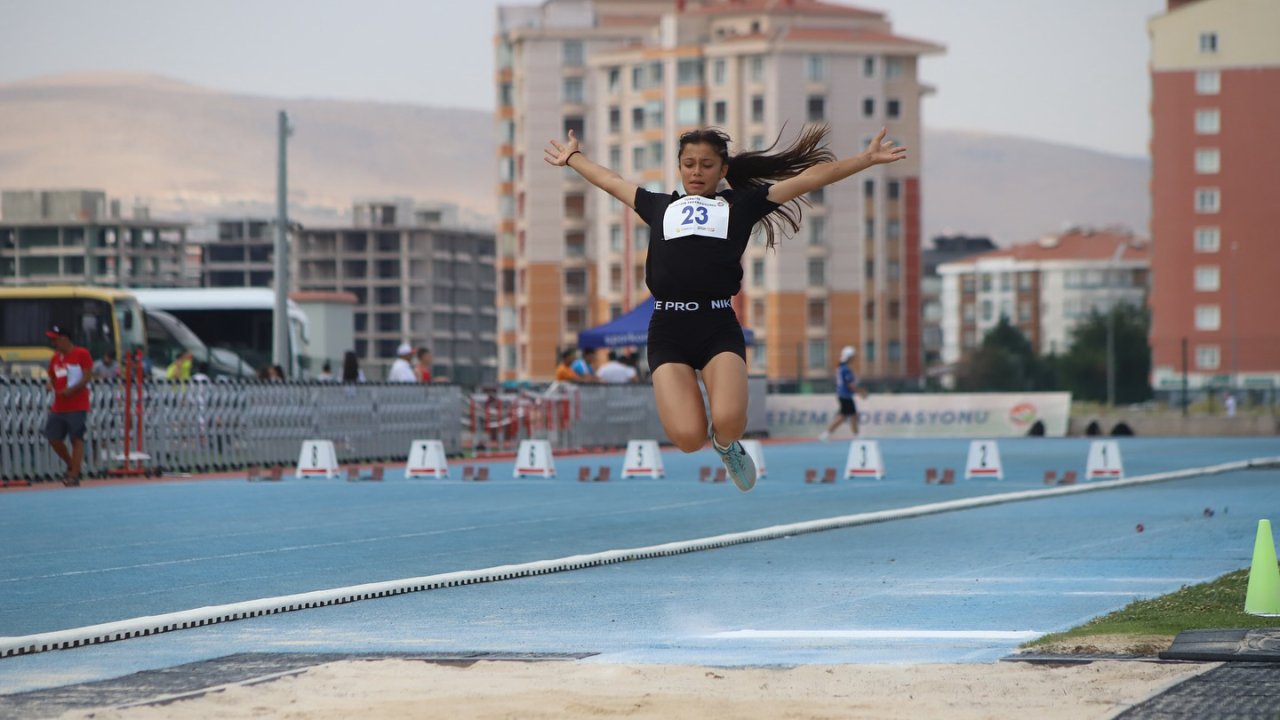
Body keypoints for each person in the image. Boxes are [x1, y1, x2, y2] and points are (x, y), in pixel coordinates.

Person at [544, 123, 905, 491]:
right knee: (686, 439)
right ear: (680, 167)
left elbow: (810, 178)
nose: (696, 172)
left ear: (723, 170)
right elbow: (610, 180)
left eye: (705, 165)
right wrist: (573, 157)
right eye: (688, 164)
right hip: (668, 328)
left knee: (731, 421)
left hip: (717, 325)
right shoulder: (658, 206)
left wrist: (866, 159)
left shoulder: (742, 205)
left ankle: (726, 445)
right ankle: (710, 438)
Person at [44, 324, 93, 486]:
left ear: (65, 339)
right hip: (59, 406)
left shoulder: (81, 354)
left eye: (56, 339)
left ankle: (73, 475)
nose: (54, 343)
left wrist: (71, 390)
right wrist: (50, 384)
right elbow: (52, 376)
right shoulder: (56, 358)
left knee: (76, 439)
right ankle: (72, 464)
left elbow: (87, 377)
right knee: (53, 437)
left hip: (77, 405)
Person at [819, 345, 864, 441]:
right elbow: (849, 384)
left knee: (846, 415)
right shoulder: (846, 369)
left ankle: (827, 433)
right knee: (847, 416)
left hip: (842, 394)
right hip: (845, 395)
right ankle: (855, 435)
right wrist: (860, 392)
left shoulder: (841, 367)